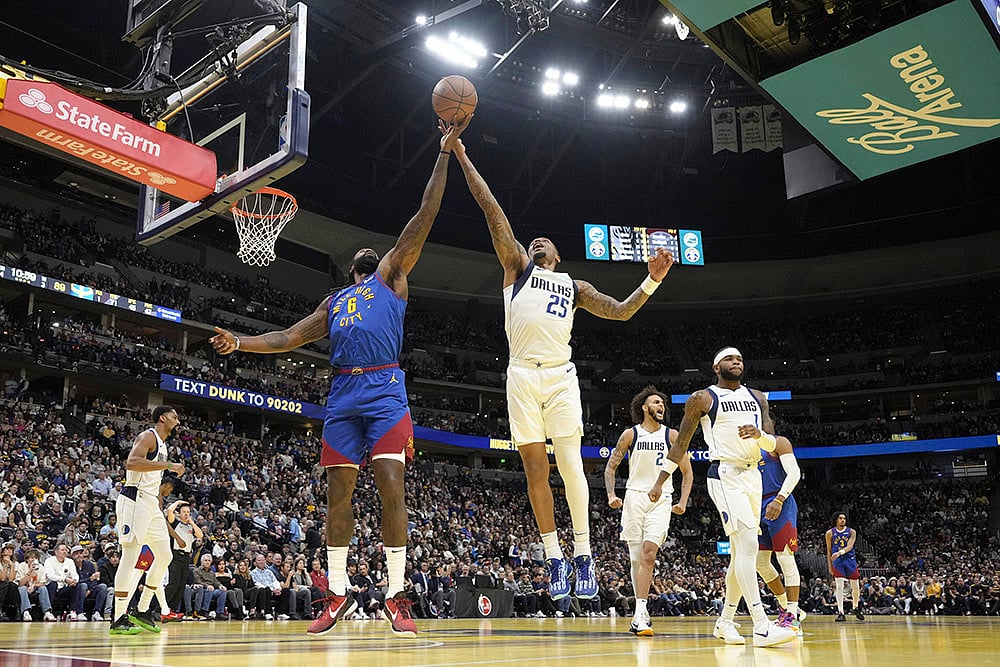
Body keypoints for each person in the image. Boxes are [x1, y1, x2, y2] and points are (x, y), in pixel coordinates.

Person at [210, 117, 469, 638]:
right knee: (338, 496)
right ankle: (338, 592)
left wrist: (443, 154)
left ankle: (397, 596)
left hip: (385, 390)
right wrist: (241, 342)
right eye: (364, 258)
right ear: (352, 268)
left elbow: (425, 215)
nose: (371, 257)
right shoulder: (335, 301)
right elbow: (287, 338)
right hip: (343, 394)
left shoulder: (392, 276)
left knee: (392, 488)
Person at [451, 139, 674, 602]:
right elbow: (492, 211)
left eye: (544, 241)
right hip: (520, 376)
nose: (536, 241)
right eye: (533, 240)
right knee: (534, 467)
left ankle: (584, 554)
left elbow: (621, 312)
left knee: (570, 464)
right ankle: (554, 557)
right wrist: (460, 154)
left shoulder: (574, 285)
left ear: (556, 254)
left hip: (558, 375)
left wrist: (651, 279)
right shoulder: (516, 269)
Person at [653, 347, 796, 647]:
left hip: (753, 475)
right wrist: (661, 481)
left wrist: (759, 435)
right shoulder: (702, 399)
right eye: (731, 359)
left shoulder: (758, 397)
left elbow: (772, 442)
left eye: (741, 359)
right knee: (747, 546)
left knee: (738, 555)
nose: (737, 362)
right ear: (716, 366)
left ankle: (725, 622)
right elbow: (681, 446)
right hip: (725, 475)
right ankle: (761, 626)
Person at [605, 386, 693, 637]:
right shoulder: (630, 435)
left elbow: (687, 473)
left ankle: (640, 612)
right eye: (656, 403)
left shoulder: (672, 435)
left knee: (649, 554)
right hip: (634, 497)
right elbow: (610, 468)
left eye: (663, 403)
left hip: (661, 498)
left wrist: (683, 501)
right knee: (636, 560)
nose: (661, 406)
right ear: (645, 407)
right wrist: (612, 495)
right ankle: (639, 613)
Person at [109, 406, 184, 635]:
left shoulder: (162, 444)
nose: (177, 420)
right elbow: (132, 463)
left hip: (151, 503)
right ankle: (119, 617)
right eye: (174, 416)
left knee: (165, 556)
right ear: (162, 418)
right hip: (135, 498)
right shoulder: (148, 436)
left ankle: (142, 609)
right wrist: (169, 465)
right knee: (130, 556)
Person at [755, 434, 806, 635]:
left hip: (779, 501)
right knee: (760, 563)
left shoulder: (778, 442)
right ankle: (789, 609)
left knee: (785, 558)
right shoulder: (746, 448)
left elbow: (794, 473)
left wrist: (779, 499)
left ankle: (792, 617)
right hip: (755, 505)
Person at [166, 501, 202, 619]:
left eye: (188, 512)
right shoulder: (175, 522)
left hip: (186, 557)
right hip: (175, 555)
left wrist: (191, 522)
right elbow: (169, 511)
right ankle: (161, 608)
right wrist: (178, 502)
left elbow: (200, 535)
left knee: (181, 586)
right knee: (173, 584)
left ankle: (171, 610)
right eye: (184, 512)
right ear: (179, 514)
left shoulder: (191, 526)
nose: (186, 514)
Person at [826, 512, 864, 622]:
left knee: (855, 586)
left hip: (849, 559)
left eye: (844, 518)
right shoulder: (830, 533)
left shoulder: (852, 532)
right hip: (837, 561)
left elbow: (850, 546)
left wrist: (839, 553)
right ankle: (841, 612)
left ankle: (855, 607)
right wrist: (829, 566)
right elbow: (828, 551)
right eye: (840, 518)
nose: (843, 520)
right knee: (839, 586)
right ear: (836, 520)